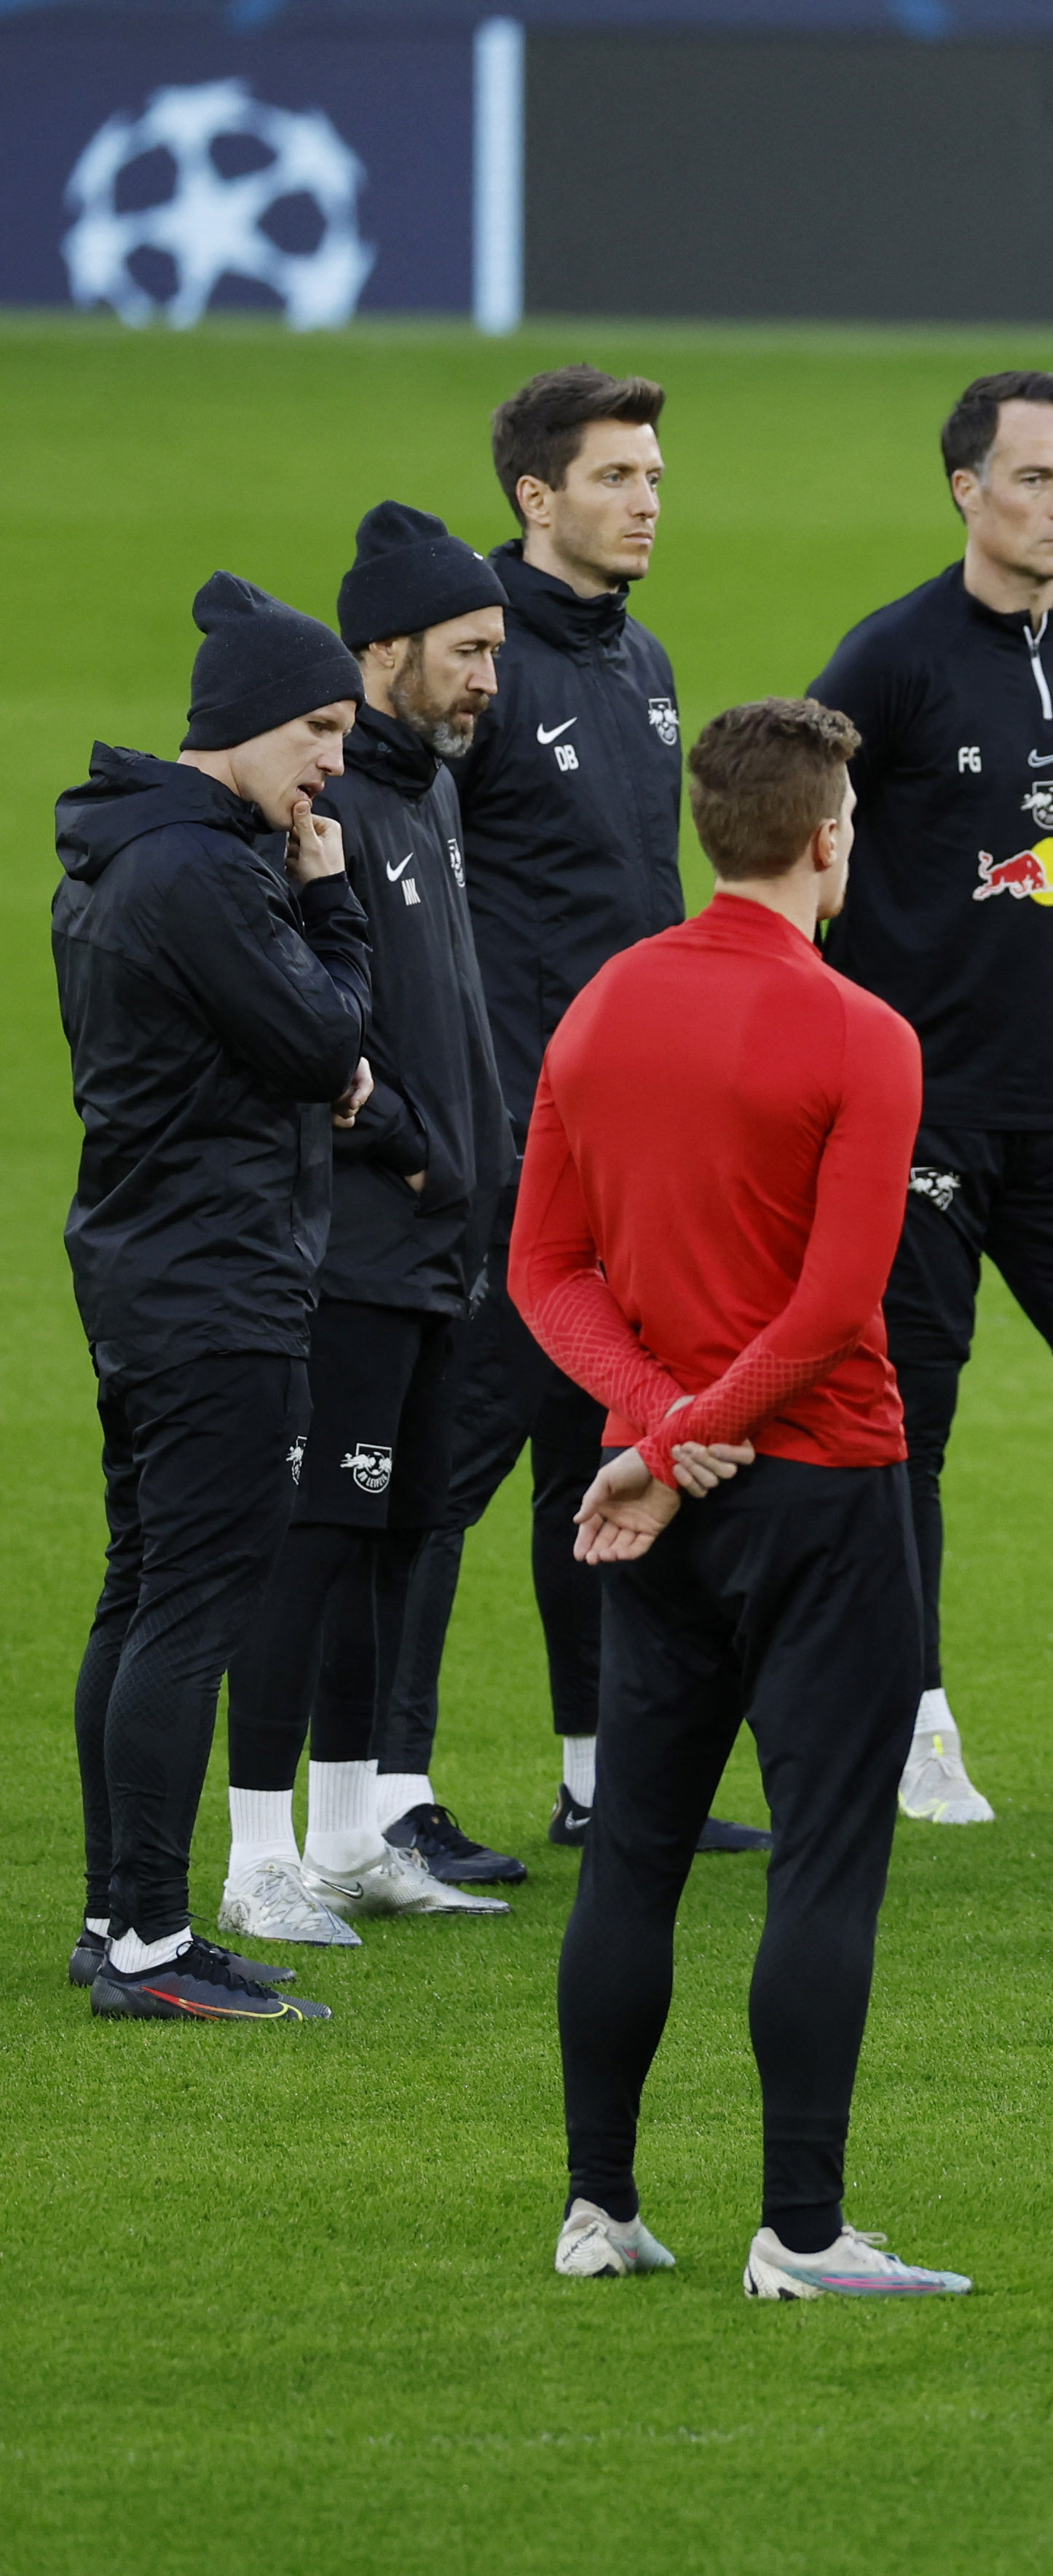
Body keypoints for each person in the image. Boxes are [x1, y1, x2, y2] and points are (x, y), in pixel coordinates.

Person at [516, 695, 964, 2298]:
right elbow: (839, 1305)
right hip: (826, 1490)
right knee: (824, 1858)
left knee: (633, 1847)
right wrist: (692, 1427)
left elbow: (542, 1267)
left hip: (657, 1508)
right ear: (829, 837)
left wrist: (646, 1431)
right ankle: (802, 2226)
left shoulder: (599, 1009)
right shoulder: (866, 1034)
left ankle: (598, 2205)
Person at [414, 364, 765, 1860]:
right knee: (440, 1468)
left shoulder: (643, 661)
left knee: (595, 1454)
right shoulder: (475, 667)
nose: (645, 503)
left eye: (656, 478)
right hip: (506, 1150)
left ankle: (599, 1774)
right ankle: (384, 1797)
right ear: (534, 497)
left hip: (626, 1148)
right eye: (616, 477)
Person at [811, 370, 1053, 1822]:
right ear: (966, 489)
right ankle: (914, 1723)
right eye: (1035, 480)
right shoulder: (888, 660)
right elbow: (806, 846)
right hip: (918, 1112)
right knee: (912, 1416)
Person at [56, 573, 376, 2021]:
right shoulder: (200, 873)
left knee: (140, 1595)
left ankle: (120, 1920)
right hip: (217, 1280)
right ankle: (145, 1940)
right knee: (189, 1605)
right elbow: (323, 1041)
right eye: (317, 727)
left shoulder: (144, 855)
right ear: (240, 724)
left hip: (151, 1264)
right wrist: (333, 906)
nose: (332, 763)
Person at [213, 504, 523, 1948]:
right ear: (381, 646)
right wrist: (403, 1141)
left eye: (496, 652)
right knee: (314, 1541)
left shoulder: (425, 794)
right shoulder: (317, 810)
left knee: (388, 1532)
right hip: (354, 1241)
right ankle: (257, 1849)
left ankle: (349, 1833)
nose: (486, 680)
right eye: (465, 650)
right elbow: (305, 1028)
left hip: (435, 1242)